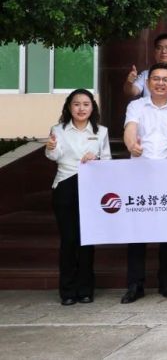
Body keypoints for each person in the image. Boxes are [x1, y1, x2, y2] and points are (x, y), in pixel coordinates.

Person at [121, 63, 167, 303]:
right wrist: (131, 145)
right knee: (137, 231)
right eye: (156, 79)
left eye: (165, 80)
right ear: (147, 82)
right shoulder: (136, 106)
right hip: (139, 175)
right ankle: (135, 284)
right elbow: (130, 129)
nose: (160, 83)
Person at [45, 89, 111, 306]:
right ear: (69, 107)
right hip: (65, 185)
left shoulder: (101, 131)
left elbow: (107, 161)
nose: (81, 108)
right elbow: (54, 156)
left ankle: (85, 289)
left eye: (85, 104)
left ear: (92, 107)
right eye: (76, 104)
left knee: (86, 239)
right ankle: (67, 291)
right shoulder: (58, 129)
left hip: (90, 187)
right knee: (69, 240)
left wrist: (96, 157)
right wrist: (50, 148)